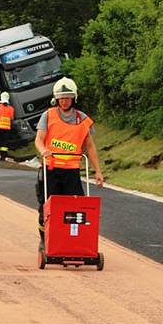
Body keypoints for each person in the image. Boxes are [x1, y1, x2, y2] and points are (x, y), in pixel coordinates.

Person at [34, 77, 104, 249]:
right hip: (51, 169)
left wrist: (98, 171)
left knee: (77, 206)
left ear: (74, 98)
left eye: (68, 97)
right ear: (56, 99)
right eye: (62, 98)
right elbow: (39, 139)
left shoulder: (83, 119)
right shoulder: (48, 116)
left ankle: (74, 240)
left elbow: (90, 147)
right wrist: (43, 150)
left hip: (72, 171)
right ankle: (45, 240)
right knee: (47, 207)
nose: (65, 101)